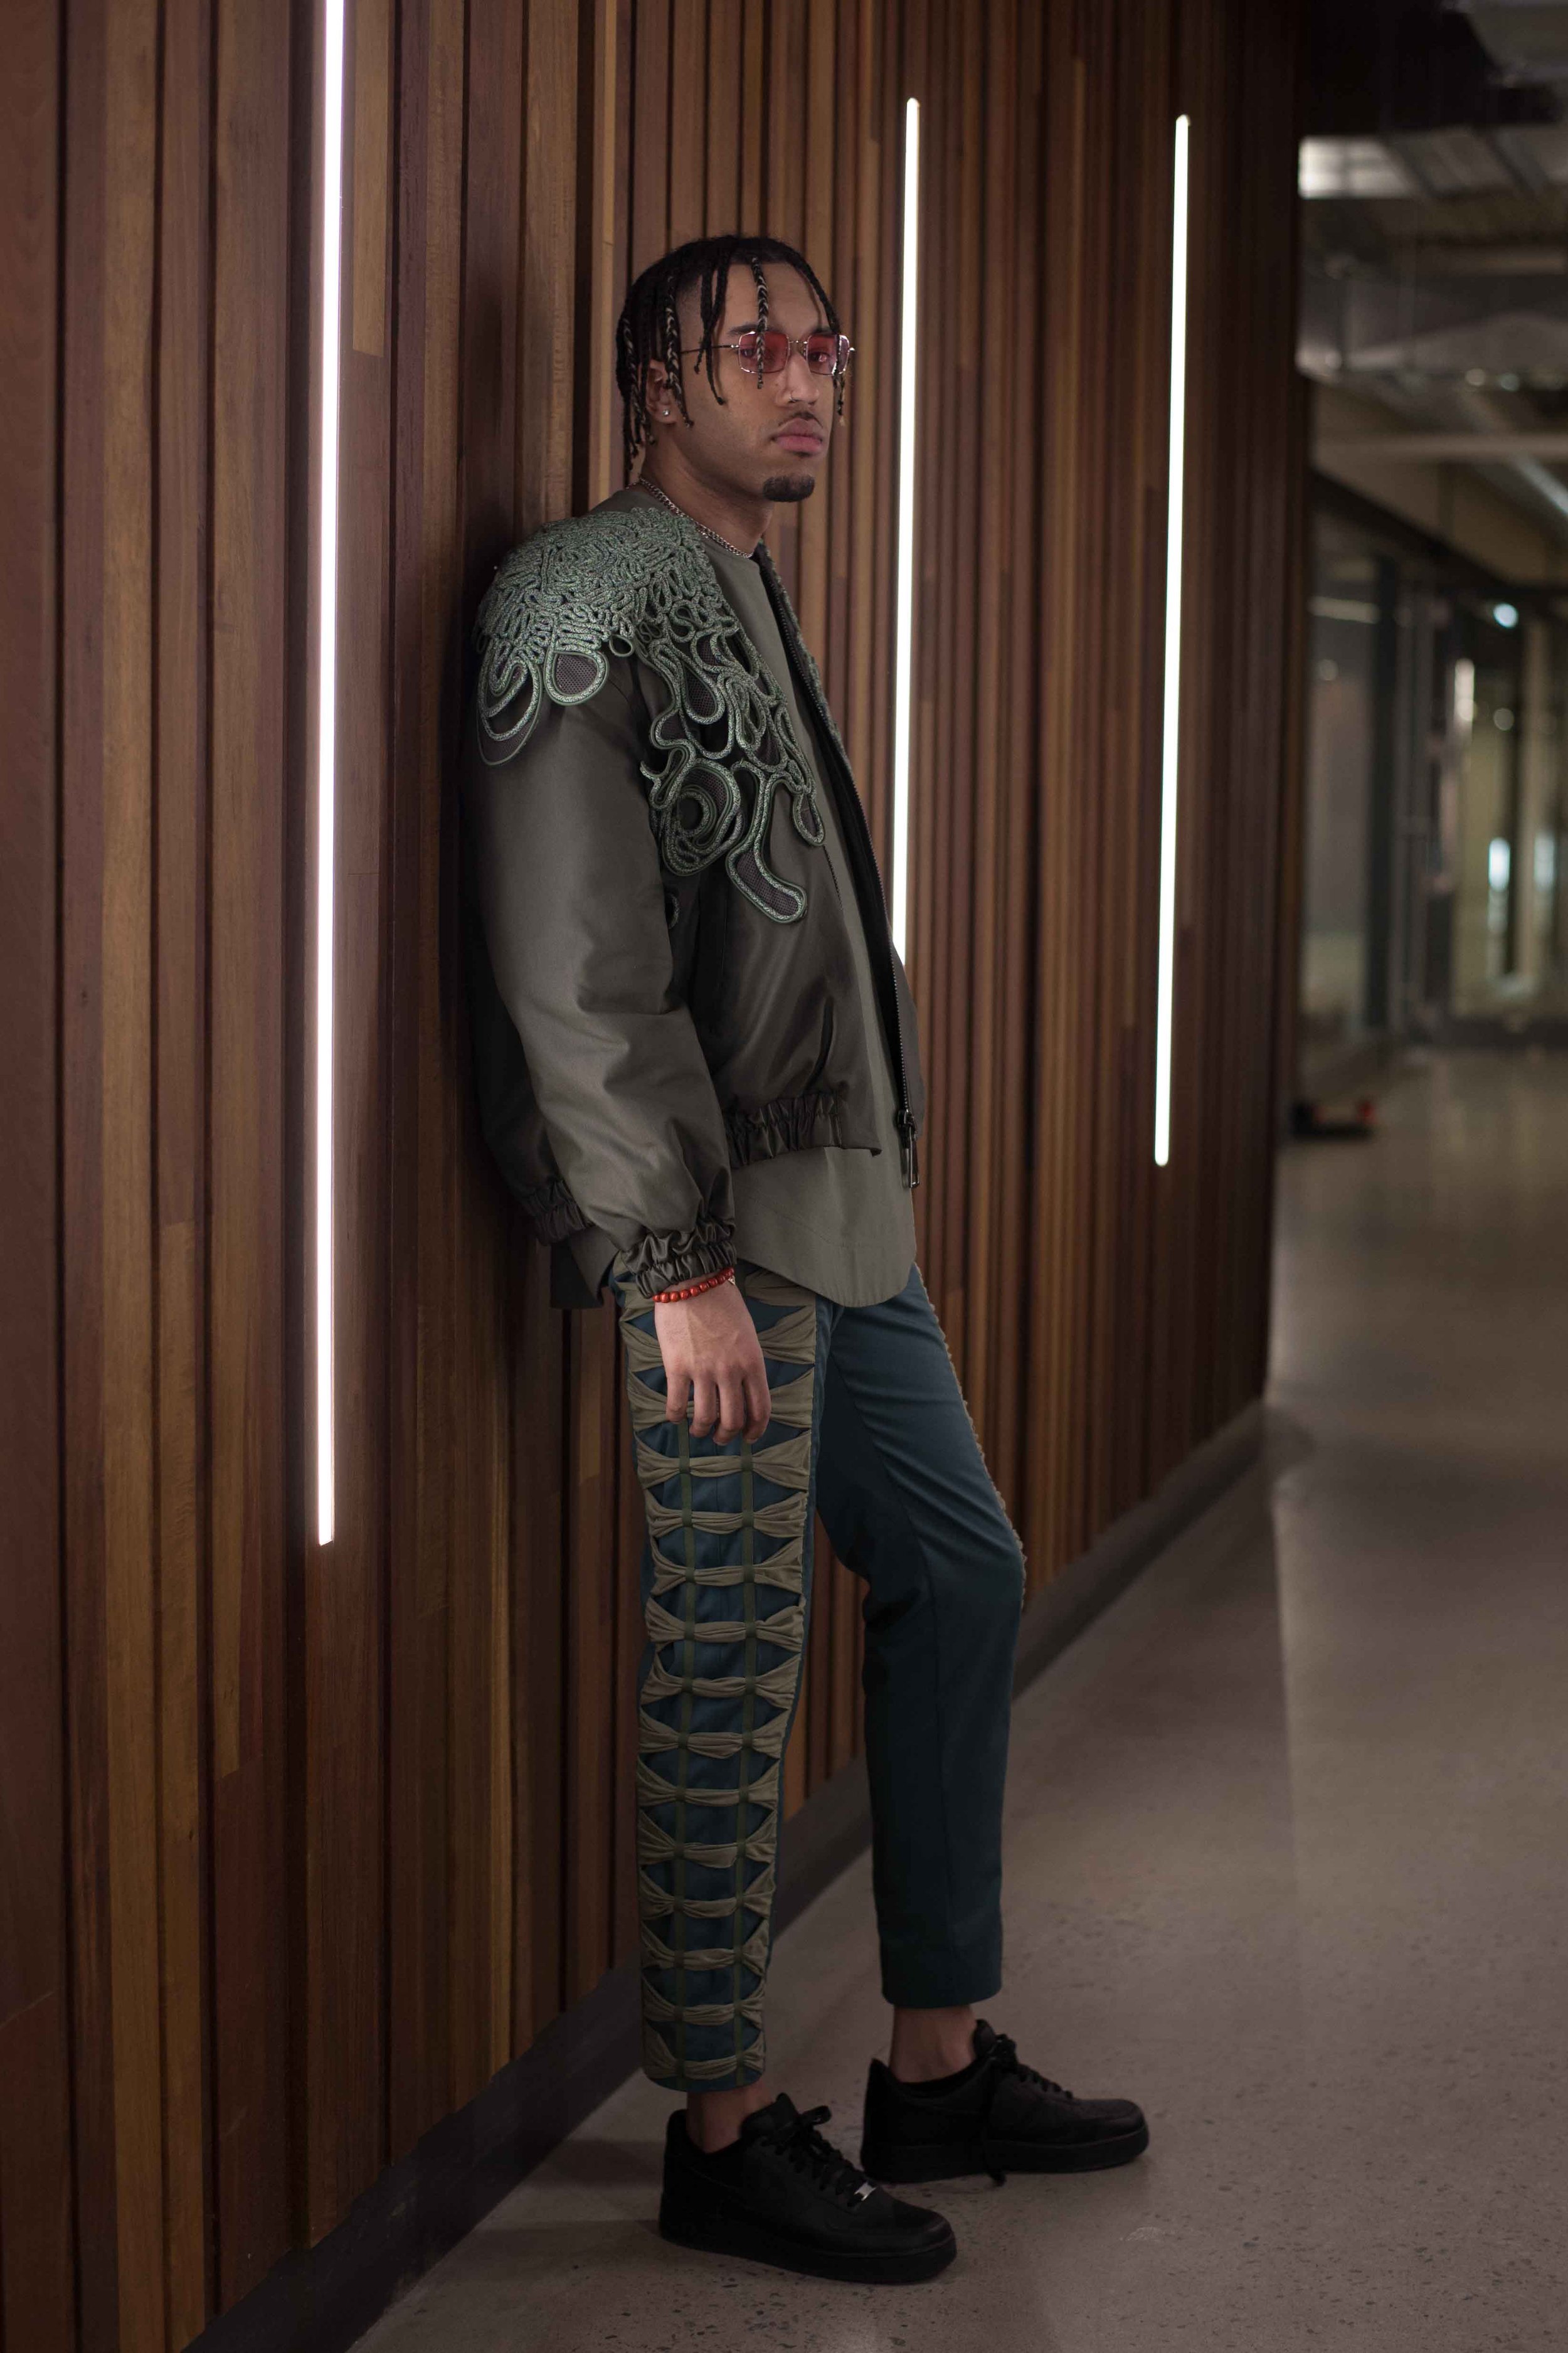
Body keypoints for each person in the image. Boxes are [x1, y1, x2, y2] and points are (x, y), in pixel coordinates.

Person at [460, 233, 1147, 2287]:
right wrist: (668, 1259)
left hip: (842, 1208)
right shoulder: (578, 594)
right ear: (652, 381)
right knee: (729, 1659)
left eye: (822, 349)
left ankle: (932, 2065)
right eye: (753, 347)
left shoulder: (743, 580)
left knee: (966, 1570)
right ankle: (721, 2130)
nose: (804, 382)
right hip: (722, 1240)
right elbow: (577, 966)